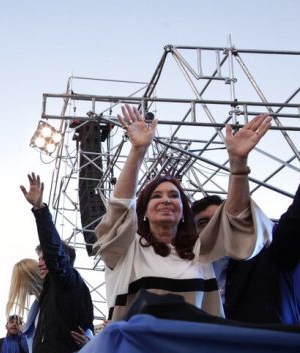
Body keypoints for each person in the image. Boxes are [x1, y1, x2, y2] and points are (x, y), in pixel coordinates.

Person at [94, 105, 273, 321]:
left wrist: (238, 163)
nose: (166, 200)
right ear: (144, 212)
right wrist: (137, 151)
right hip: (139, 351)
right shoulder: (127, 250)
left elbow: (235, 219)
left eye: (174, 195)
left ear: (183, 213)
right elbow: (120, 208)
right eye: (156, 196)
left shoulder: (201, 252)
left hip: (195, 350)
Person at [189, 105, 300, 324]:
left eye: (221, 221)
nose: (213, 229)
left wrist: (238, 164)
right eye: (203, 223)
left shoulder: (271, 256)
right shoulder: (187, 271)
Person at [16, 174, 94, 353]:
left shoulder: (68, 282)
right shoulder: (49, 294)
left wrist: (39, 210)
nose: (40, 264)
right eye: (39, 259)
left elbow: (53, 253)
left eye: (45, 259)